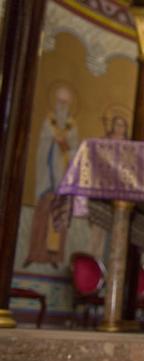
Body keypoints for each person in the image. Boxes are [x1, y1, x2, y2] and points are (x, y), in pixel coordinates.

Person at [24, 85, 79, 268]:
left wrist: (66, 146)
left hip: (62, 175)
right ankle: (35, 252)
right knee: (42, 213)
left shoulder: (72, 124)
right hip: (47, 175)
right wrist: (56, 141)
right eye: (59, 101)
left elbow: (74, 148)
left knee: (58, 216)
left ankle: (54, 256)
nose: (62, 104)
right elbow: (44, 142)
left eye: (65, 101)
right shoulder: (49, 121)